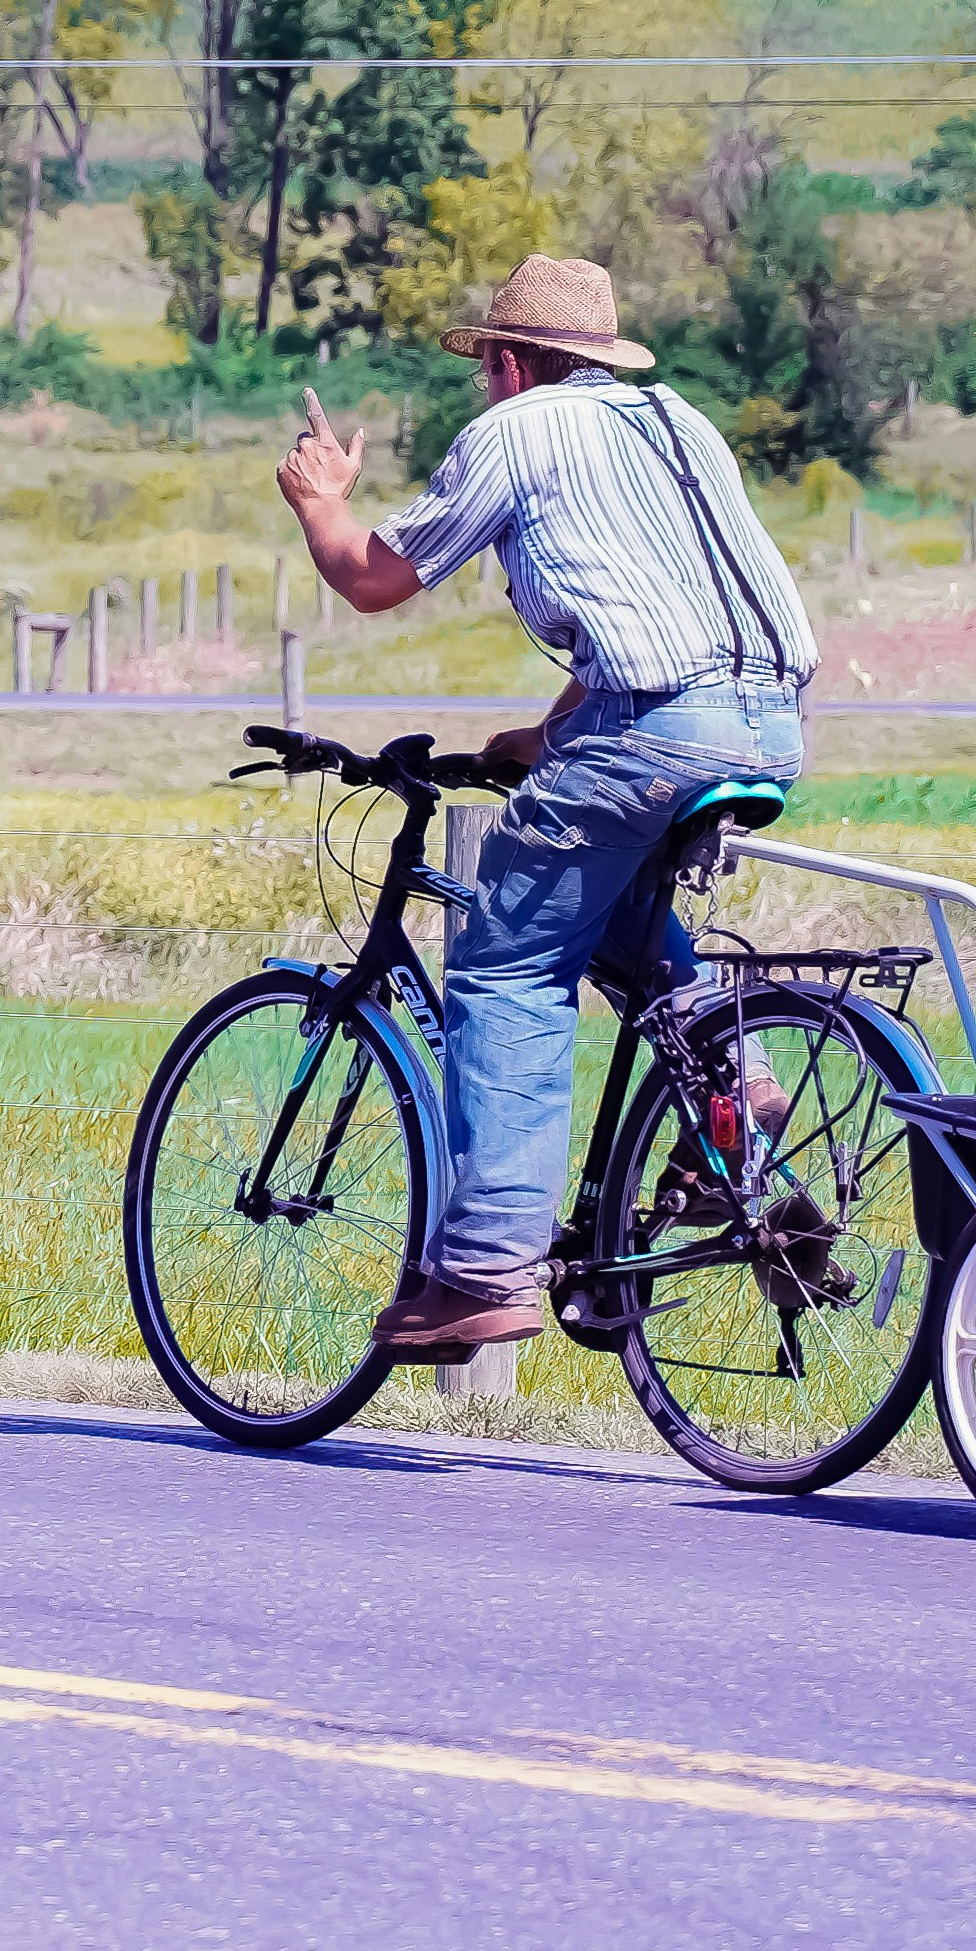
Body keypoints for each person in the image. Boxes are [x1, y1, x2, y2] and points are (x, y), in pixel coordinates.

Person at [272, 252, 816, 1355]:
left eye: (485, 367)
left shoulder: (516, 432)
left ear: (511, 363)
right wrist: (551, 733)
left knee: (505, 956)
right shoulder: (679, 421)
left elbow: (373, 578)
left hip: (653, 726)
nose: (484, 385)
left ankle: (480, 1270)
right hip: (765, 720)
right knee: (599, 901)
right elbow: (663, 597)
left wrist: (321, 504)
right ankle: (733, 1084)